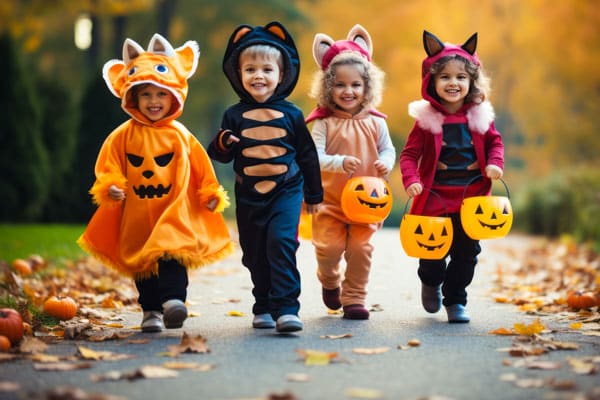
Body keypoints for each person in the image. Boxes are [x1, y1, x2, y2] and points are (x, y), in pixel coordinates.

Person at [78, 33, 233, 333]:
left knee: (173, 251)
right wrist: (109, 185)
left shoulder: (180, 135)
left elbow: (201, 164)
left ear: (174, 95)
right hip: (137, 210)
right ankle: (151, 310)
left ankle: (174, 300)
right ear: (132, 98)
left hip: (173, 208)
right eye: (146, 95)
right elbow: (108, 164)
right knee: (143, 261)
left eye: (161, 94)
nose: (153, 101)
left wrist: (210, 192)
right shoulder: (122, 136)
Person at [208, 21, 323, 333]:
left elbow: (308, 156)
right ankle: (263, 303)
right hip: (249, 196)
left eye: (267, 69)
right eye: (250, 70)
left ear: (281, 74)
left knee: (281, 243)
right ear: (238, 74)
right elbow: (219, 154)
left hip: (286, 191)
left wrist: (314, 196)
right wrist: (223, 142)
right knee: (255, 252)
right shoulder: (233, 114)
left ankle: (287, 307)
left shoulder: (292, 115)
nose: (258, 75)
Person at [399, 31, 504, 323]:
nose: (453, 83)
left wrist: (495, 163)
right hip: (435, 198)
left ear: (471, 82)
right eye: (444, 77)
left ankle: (456, 298)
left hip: (471, 201)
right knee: (432, 252)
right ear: (431, 82)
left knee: (466, 253)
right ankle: (430, 281)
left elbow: (495, 143)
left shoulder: (481, 116)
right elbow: (408, 155)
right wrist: (412, 180)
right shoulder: (425, 120)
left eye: (461, 77)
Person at [306, 25, 396, 320]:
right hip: (329, 201)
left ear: (367, 88)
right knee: (328, 248)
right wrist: (338, 162)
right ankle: (329, 280)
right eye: (340, 85)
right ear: (327, 87)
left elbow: (388, 149)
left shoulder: (376, 122)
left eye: (356, 85)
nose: (348, 91)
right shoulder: (323, 123)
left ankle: (355, 297)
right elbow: (314, 156)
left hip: (367, 202)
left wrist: (385, 162)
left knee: (361, 249)